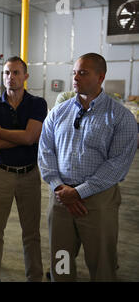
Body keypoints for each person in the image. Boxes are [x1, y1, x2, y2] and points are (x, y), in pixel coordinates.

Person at [38, 53, 137, 282]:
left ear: (100, 77)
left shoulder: (120, 117)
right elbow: (45, 151)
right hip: (61, 198)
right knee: (60, 260)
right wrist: (59, 187)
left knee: (102, 263)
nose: (76, 77)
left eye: (83, 73)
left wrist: (79, 192)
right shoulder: (58, 113)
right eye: (74, 72)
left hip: (97, 202)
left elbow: (117, 164)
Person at [0, 56, 47, 282]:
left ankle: (34, 277)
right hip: (1, 174)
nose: (11, 77)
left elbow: (31, 137)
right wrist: (21, 138)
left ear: (25, 76)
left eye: (16, 72)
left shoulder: (37, 104)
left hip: (29, 174)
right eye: (7, 73)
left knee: (31, 233)